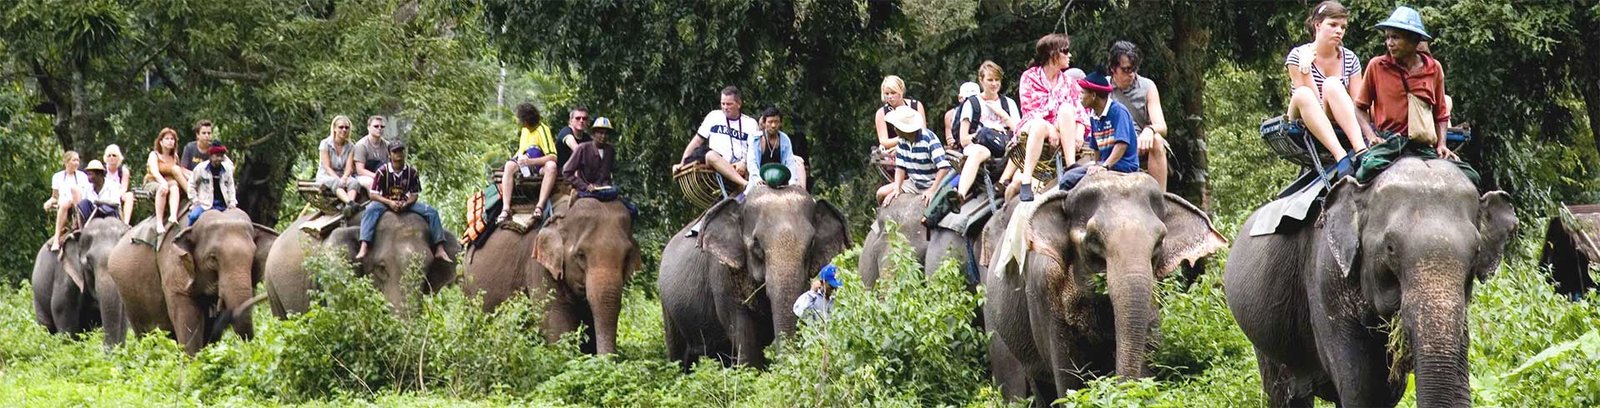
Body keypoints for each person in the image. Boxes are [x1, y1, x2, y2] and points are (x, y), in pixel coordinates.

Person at [1352, 6, 1477, 184]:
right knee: (1367, 169)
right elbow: (1359, 108)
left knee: (1471, 176)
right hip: (1390, 143)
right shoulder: (1376, 66)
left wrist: (1441, 144)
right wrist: (1372, 137)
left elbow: (1441, 114)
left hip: (1423, 146)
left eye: (1395, 37)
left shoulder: (1434, 68)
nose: (1389, 43)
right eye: (1387, 37)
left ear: (1414, 40)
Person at [1285, 1, 1368, 164]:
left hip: (1335, 115)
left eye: (1343, 27)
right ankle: (1340, 156)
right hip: (1304, 116)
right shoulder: (1298, 55)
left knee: (1332, 84)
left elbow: (1358, 103)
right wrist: (1306, 69)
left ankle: (1361, 150)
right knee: (1303, 94)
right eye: (1333, 25)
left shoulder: (1350, 58)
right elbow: (1311, 102)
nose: (1339, 31)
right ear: (1317, 25)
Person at [1009, 33, 1087, 202]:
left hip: (1061, 129)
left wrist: (1080, 132)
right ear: (1053, 54)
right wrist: (1049, 127)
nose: (1069, 56)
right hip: (1034, 124)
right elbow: (1029, 110)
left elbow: (1079, 110)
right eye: (1065, 52)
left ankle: (1071, 166)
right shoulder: (1029, 77)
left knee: (1066, 109)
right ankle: (1026, 181)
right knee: (1038, 125)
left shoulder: (1069, 82)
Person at [355, 140, 452, 262]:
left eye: (400, 151)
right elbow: (374, 195)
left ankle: (439, 247)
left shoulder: (411, 172)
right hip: (385, 202)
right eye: (395, 151)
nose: (398, 154)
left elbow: (414, 195)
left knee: (432, 212)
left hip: (404, 202)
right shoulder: (382, 172)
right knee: (370, 210)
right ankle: (364, 245)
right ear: (389, 155)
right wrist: (389, 202)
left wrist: (407, 204)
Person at [949, 61, 1023, 210]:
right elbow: (964, 140)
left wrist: (1002, 114)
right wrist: (984, 134)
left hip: (1005, 147)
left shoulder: (1008, 103)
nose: (994, 84)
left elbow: (1020, 132)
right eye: (990, 80)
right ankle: (960, 195)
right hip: (979, 147)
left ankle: (1004, 183)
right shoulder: (972, 104)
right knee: (980, 151)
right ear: (981, 81)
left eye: (997, 80)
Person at [1057, 71, 1142, 191]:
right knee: (1070, 175)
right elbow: (1096, 147)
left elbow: (1122, 144)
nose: (1079, 96)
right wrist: (1097, 164)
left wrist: (1104, 166)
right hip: (1105, 165)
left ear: (1093, 95)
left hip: (1122, 167)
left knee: (1068, 181)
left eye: (1082, 93)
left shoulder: (1118, 111)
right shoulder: (1093, 116)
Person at [1108, 41, 1172, 191]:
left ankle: (1160, 197)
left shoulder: (1148, 86)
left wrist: (1149, 130)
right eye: (1126, 69)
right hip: (1112, 141)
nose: (1131, 74)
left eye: (1134, 69)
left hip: (1140, 143)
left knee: (1157, 139)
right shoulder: (1103, 88)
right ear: (1113, 68)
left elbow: (1162, 126)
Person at [676, 86, 758, 191]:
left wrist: (744, 163)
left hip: (740, 166)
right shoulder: (714, 116)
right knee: (710, 155)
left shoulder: (750, 123)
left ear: (739, 104)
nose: (725, 107)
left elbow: (754, 150)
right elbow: (697, 141)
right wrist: (682, 163)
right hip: (715, 166)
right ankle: (745, 184)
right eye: (723, 104)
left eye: (729, 104)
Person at [876, 106, 951, 205]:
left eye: (896, 126)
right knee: (881, 193)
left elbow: (944, 167)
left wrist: (932, 189)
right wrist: (897, 188)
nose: (894, 129)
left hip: (933, 183)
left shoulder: (928, 139)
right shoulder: (902, 141)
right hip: (914, 183)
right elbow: (900, 168)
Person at [498, 103, 559, 221]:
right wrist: (513, 161)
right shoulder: (525, 131)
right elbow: (521, 151)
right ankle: (505, 208)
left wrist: (530, 161)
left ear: (525, 121)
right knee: (509, 165)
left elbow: (553, 157)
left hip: (538, 165)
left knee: (552, 166)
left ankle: (540, 206)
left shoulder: (542, 130)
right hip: (525, 164)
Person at [744, 107, 807, 193]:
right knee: (741, 202)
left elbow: (789, 162)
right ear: (764, 122)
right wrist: (756, 178)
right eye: (770, 122)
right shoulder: (755, 139)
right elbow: (752, 162)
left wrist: (792, 182)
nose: (773, 125)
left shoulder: (785, 139)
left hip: (781, 182)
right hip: (760, 181)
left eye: (776, 122)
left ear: (780, 123)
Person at [145, 128, 188, 234]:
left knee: (174, 186)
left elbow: (178, 172)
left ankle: (173, 216)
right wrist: (163, 183)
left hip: (169, 182)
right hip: (153, 181)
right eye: (167, 138)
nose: (170, 141)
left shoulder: (174, 157)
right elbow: (155, 172)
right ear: (161, 141)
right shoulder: (154, 155)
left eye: (172, 139)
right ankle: (159, 223)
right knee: (163, 188)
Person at [45, 151, 91, 251]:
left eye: (78, 160)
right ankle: (56, 238)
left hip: (78, 202)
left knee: (74, 190)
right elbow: (55, 197)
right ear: (66, 162)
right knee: (64, 204)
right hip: (63, 203)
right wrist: (49, 202)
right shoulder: (57, 177)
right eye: (74, 160)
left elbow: (87, 193)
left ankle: (79, 224)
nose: (77, 163)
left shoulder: (82, 176)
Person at [873, 75, 928, 152]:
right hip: (891, 153)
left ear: (901, 90)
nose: (890, 96)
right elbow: (884, 141)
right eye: (887, 93)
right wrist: (904, 140)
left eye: (893, 93)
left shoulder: (916, 106)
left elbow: (923, 132)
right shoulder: (881, 113)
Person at [186, 144, 237, 225]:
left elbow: (231, 187)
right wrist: (195, 200)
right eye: (217, 156)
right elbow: (191, 184)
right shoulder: (200, 168)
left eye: (221, 156)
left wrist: (232, 202)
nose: (219, 158)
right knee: (193, 217)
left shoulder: (227, 169)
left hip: (223, 204)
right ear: (211, 156)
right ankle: (188, 236)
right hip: (205, 204)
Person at [316, 115, 361, 205]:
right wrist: (338, 179)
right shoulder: (325, 144)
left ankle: (350, 204)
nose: (344, 130)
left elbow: (349, 168)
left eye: (346, 128)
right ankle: (350, 203)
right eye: (341, 127)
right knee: (336, 182)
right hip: (326, 175)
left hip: (342, 175)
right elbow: (327, 167)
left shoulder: (351, 146)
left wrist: (344, 178)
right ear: (334, 129)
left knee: (354, 182)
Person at [349, 115, 390, 189]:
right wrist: (377, 176)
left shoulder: (387, 145)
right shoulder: (361, 145)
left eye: (382, 127)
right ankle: (375, 200)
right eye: (376, 126)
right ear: (368, 128)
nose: (379, 128)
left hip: (382, 174)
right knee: (371, 182)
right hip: (362, 176)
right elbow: (360, 170)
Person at [101, 144, 135, 224]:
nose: (111, 157)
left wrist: (116, 196)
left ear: (118, 157)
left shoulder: (123, 171)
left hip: (119, 194)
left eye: (114, 155)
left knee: (129, 196)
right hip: (104, 193)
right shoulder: (102, 170)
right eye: (109, 155)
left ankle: (126, 223)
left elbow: (124, 188)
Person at [945, 82, 980, 148]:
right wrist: (952, 142)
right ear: (960, 98)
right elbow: (950, 139)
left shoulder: (984, 108)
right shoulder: (950, 115)